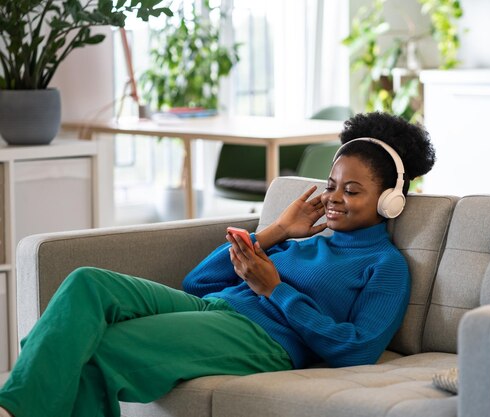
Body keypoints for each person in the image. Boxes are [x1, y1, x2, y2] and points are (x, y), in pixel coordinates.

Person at [0, 111, 435, 417]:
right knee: (87, 283)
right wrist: (276, 232)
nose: (335, 198)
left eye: (353, 190)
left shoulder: (385, 265)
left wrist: (274, 289)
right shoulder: (303, 241)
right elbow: (199, 282)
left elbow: (357, 348)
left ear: (388, 199)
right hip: (216, 311)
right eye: (331, 184)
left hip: (264, 340)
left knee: (105, 348)